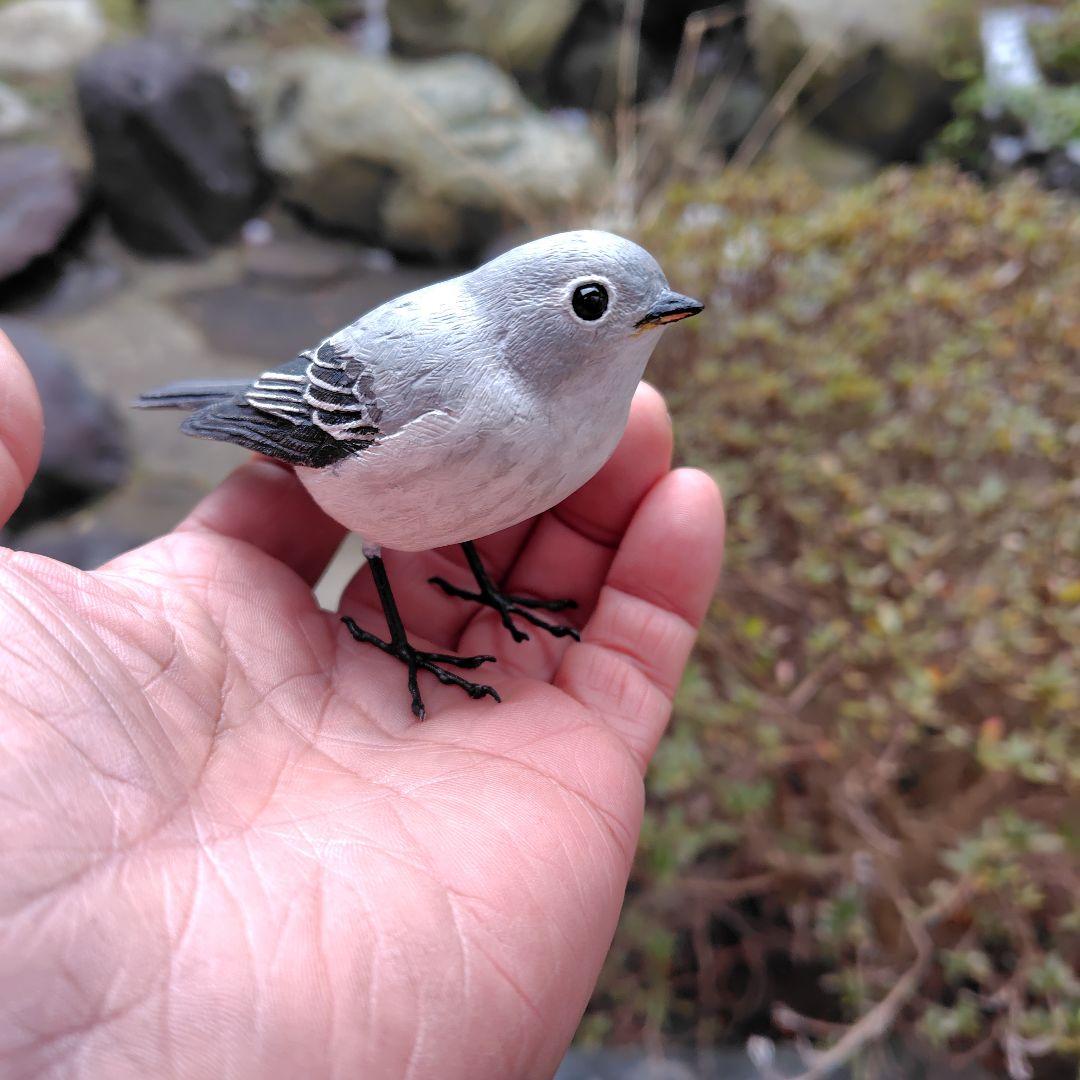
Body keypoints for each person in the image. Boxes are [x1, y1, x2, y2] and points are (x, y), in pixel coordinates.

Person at [0, 331, 724, 1078]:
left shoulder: (573, 418)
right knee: (384, 544)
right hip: (338, 441)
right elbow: (326, 411)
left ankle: (482, 593)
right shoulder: (461, 381)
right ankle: (408, 645)